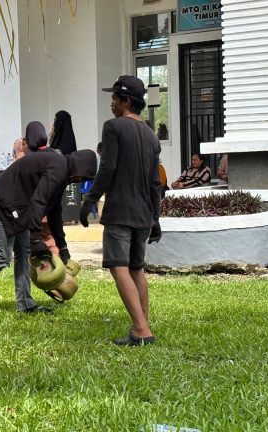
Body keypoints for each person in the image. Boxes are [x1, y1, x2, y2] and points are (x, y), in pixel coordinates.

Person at [0, 122, 97, 318]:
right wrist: (36, 238)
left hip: (17, 208)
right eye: (82, 177)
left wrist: (63, 249)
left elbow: (55, 212)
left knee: (23, 254)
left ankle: (25, 303)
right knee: (1, 257)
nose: (79, 181)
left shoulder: (62, 171)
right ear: (79, 167)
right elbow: (38, 201)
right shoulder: (58, 166)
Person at [80, 75, 162, 346]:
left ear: (127, 101)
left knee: (119, 267)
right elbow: (155, 181)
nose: (112, 102)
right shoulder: (151, 134)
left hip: (121, 211)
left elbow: (108, 168)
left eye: (115, 97)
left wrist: (90, 199)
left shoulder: (113, 127)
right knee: (137, 268)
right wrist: (156, 218)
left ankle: (140, 330)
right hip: (143, 214)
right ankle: (143, 327)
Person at [45, 110, 78, 263]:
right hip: (59, 186)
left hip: (51, 186)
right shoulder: (69, 142)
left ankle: (55, 251)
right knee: (55, 214)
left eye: (54, 120)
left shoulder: (57, 146)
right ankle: (62, 249)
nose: (52, 125)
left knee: (51, 213)